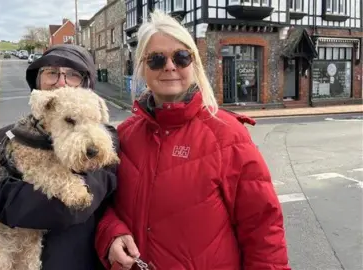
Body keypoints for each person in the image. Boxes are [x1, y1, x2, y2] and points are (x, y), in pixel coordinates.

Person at [95, 10, 290, 270]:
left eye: (181, 57)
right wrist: (111, 234)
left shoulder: (228, 134)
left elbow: (263, 227)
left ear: (194, 64)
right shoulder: (125, 135)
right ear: (141, 66)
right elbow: (102, 203)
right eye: (156, 59)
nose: (169, 66)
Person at [0, 44, 117, 270]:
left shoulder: (102, 143)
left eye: (73, 75)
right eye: (51, 72)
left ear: (87, 86)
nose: (61, 82)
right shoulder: (8, 135)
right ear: (38, 82)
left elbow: (63, 208)